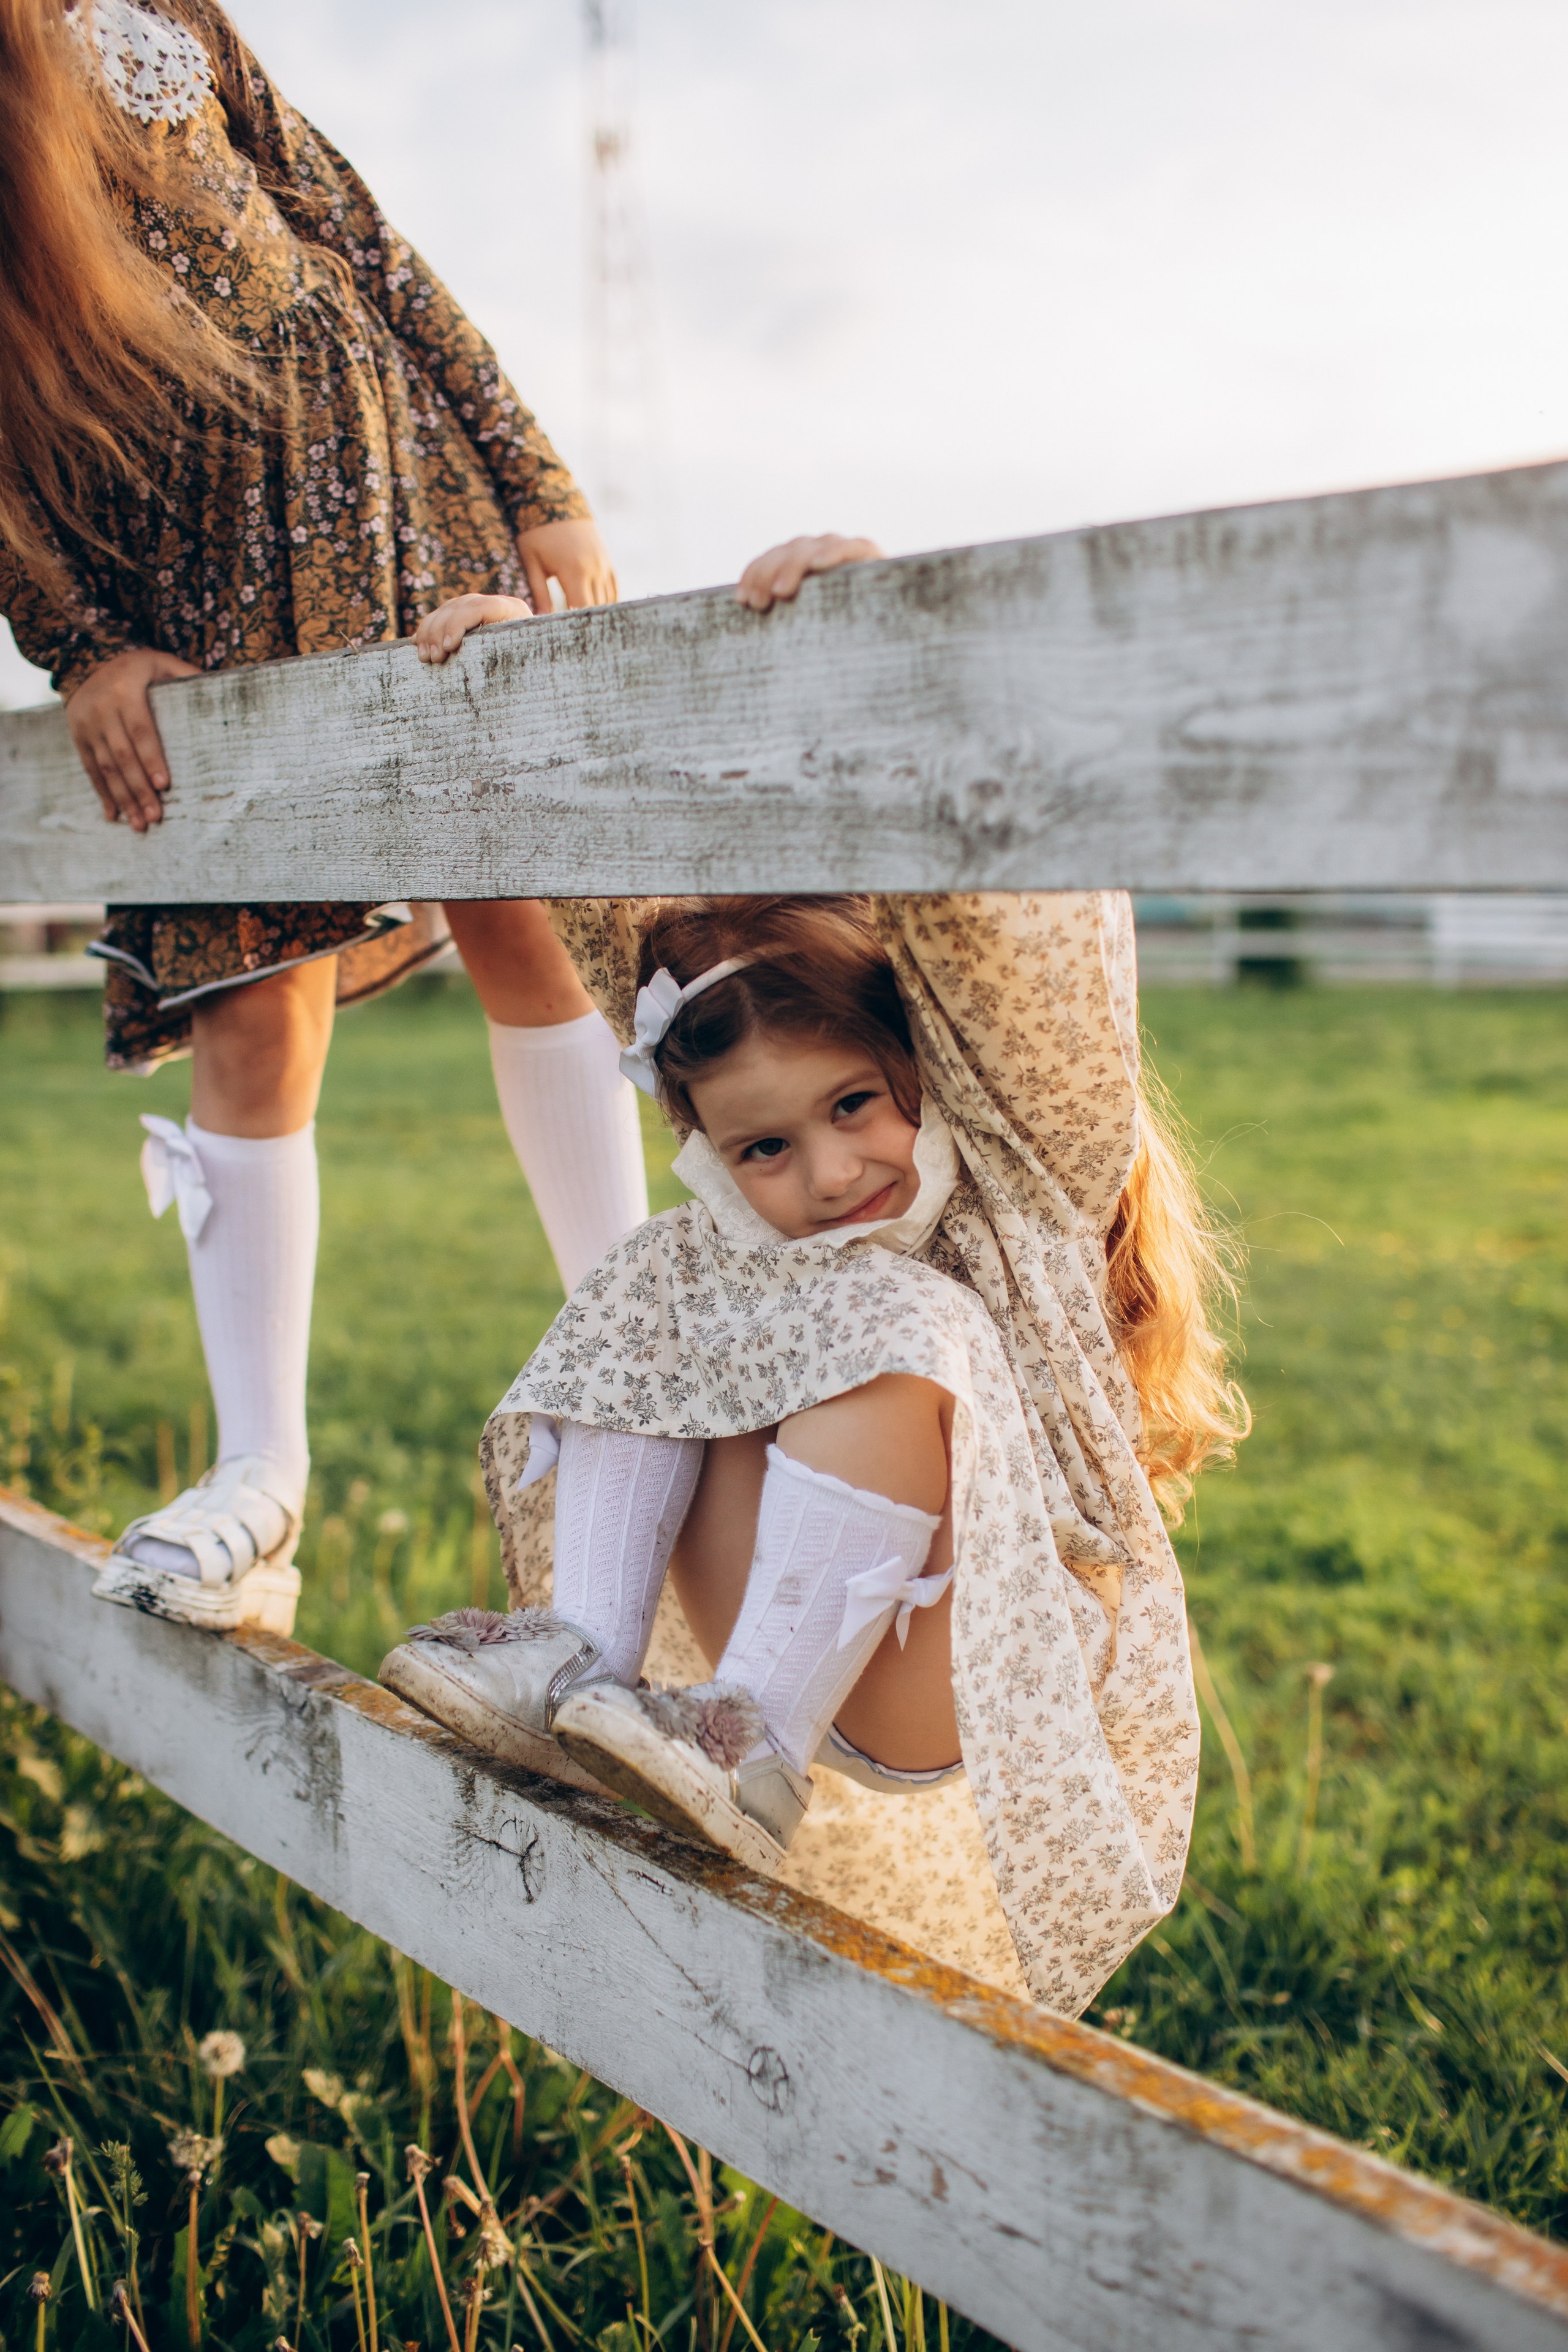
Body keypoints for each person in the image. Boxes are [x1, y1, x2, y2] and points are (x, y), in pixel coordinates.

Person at [379, 535, 1250, 2015]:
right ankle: (578, 1658)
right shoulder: (740, 1218)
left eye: (853, 1105)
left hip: (962, 1650)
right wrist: (524, 703)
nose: (830, 1173)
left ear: (911, 1061)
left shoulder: (1017, 1157)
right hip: (778, 1616)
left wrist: (889, 639)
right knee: (662, 1271)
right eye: (766, 1147)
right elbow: (620, 916)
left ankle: (755, 1741)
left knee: (887, 1308)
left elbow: (998, 924)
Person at [0, 0, 649, 1635]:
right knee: (249, 1011)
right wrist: (78, 644)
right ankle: (262, 1476)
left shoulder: (164, 7)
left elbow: (355, 228)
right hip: (192, 587)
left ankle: (636, 1355)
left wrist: (538, 477)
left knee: (519, 918)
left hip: (397, 502)